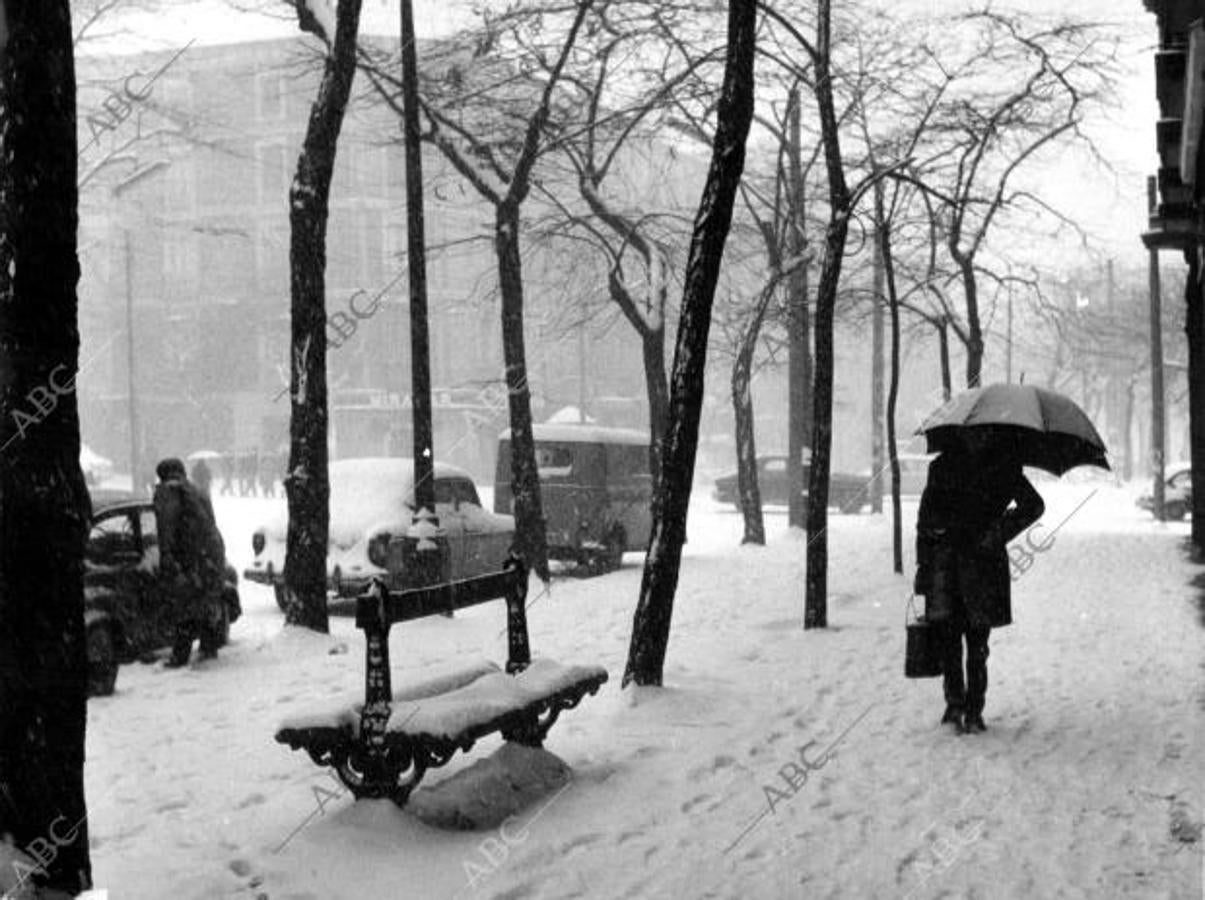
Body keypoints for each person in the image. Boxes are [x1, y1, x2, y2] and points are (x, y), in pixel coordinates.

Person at [913, 428, 1044, 734]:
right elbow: (925, 519)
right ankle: (956, 704)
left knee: (976, 642)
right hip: (948, 564)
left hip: (980, 566)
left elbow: (1034, 506)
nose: (978, 438)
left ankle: (972, 709)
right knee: (949, 638)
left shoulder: (1003, 466)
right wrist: (926, 560)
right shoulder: (944, 467)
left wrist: (996, 532)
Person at [153, 458, 227, 667]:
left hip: (188, 557)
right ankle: (208, 647)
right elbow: (210, 525)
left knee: (184, 607)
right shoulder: (197, 491)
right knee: (204, 603)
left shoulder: (169, 493)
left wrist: (168, 559)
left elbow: (166, 530)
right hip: (210, 555)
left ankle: (180, 656)